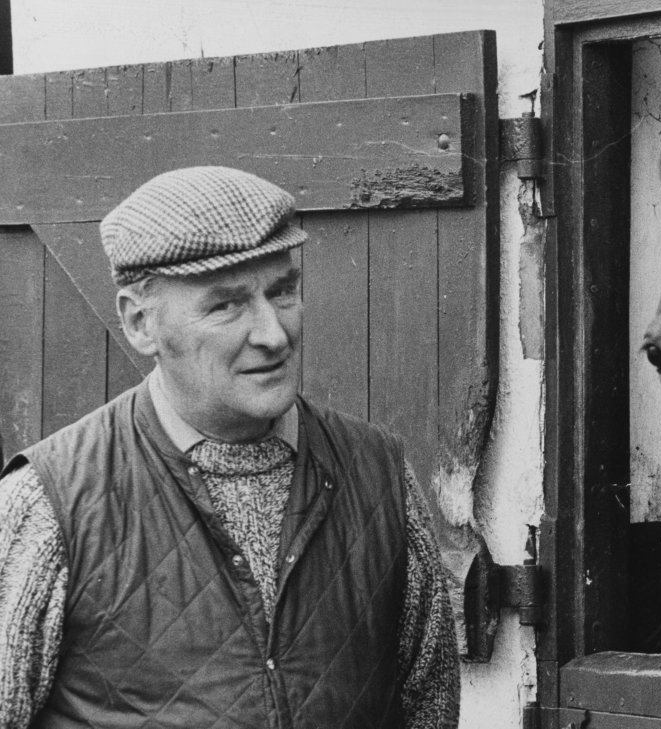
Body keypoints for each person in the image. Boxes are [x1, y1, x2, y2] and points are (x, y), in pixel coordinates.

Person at [0, 166, 459, 728]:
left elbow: (431, 709)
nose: (273, 334)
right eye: (226, 305)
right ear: (140, 323)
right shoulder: (49, 502)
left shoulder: (379, 475)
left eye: (282, 291)